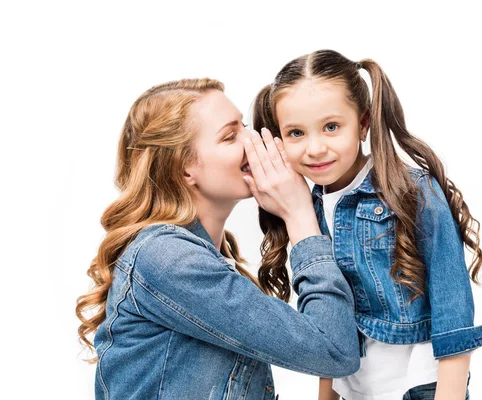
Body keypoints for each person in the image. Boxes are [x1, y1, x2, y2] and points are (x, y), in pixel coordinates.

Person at [75, 77, 360, 400]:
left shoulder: (206, 256)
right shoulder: (167, 257)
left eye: (246, 126)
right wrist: (299, 216)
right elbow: (334, 350)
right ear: (184, 170)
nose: (254, 141)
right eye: (230, 136)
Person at [252, 50, 482, 400]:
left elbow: (453, 305)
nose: (315, 148)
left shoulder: (414, 191)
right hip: (355, 390)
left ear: (363, 123)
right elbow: (329, 317)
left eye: (332, 127)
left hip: (420, 386)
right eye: (296, 133)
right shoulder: (307, 210)